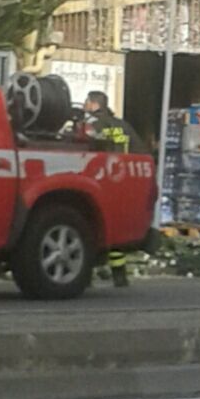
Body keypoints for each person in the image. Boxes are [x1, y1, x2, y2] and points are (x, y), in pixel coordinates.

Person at [79, 91, 137, 286]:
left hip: (98, 184)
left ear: (94, 104)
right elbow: (140, 152)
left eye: (87, 102)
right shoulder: (123, 126)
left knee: (88, 229)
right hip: (122, 184)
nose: (85, 105)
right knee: (115, 232)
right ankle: (119, 275)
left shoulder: (92, 126)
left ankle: (84, 276)